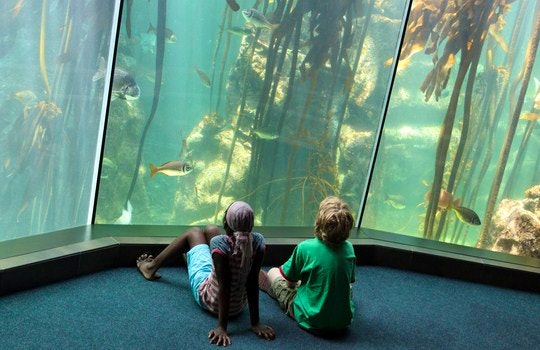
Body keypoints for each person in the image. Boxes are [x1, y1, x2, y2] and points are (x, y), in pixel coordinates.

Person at [136, 201, 275, 346]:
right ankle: (192, 256)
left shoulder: (219, 243)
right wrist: (255, 323)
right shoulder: (258, 242)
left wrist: (222, 327)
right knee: (211, 229)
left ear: (226, 223)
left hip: (211, 300)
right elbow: (252, 282)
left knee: (194, 232)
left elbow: (225, 287)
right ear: (251, 225)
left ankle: (150, 268)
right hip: (238, 305)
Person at [259, 196, 356, 334]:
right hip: (343, 321)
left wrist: (296, 284)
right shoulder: (349, 249)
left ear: (319, 222)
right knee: (344, 286)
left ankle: (273, 289)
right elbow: (350, 280)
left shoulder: (305, 247)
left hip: (311, 318)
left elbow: (290, 283)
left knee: (274, 272)